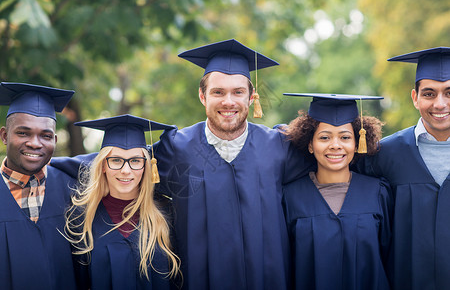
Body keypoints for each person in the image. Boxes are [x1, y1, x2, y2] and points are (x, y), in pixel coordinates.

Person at [154, 39, 313, 289]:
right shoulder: (177, 149)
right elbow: (122, 167)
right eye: (218, 92)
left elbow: (333, 159)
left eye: (238, 92)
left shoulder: (279, 147)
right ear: (202, 96)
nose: (229, 101)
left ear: (251, 97)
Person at [356, 47, 450, 290]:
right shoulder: (383, 155)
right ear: (415, 98)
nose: (440, 104)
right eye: (429, 93)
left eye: (449, 92)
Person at [282, 93, 391, 290]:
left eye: (345, 137)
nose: (335, 145)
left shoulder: (378, 193)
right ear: (310, 144)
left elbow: (389, 257)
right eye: (324, 137)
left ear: (357, 143)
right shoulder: (290, 198)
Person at [64, 114, 180, 289]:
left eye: (135, 161)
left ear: (146, 166)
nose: (126, 170)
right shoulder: (82, 217)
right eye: (116, 160)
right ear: (103, 165)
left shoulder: (167, 214)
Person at [0, 82, 79, 289]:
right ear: (4, 136)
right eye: (23, 133)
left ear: (54, 140)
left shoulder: (74, 191)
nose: (35, 143)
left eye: (45, 136)